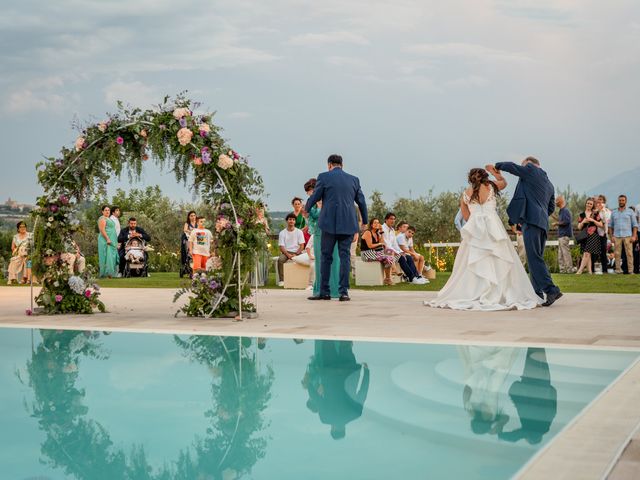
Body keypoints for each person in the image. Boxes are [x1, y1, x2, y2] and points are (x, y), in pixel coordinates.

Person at [426, 167, 542, 310]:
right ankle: (498, 292)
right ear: (485, 176)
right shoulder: (491, 186)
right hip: (494, 227)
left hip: (475, 229)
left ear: (470, 178)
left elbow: (466, 216)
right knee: (498, 257)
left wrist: (477, 219)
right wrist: (496, 173)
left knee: (472, 260)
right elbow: (504, 183)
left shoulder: (465, 194)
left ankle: (475, 291)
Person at [491, 157, 562, 306]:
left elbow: (512, 167)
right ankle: (536, 293)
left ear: (529, 164)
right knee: (535, 258)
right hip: (542, 224)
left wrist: (497, 166)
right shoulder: (549, 184)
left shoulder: (530, 170)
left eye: (524, 166)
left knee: (534, 258)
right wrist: (538, 216)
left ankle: (551, 289)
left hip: (531, 222)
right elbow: (550, 208)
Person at [305, 154, 368, 301]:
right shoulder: (354, 179)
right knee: (344, 257)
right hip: (348, 224)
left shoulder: (324, 177)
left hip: (328, 224)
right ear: (342, 165)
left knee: (326, 257)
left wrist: (307, 208)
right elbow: (362, 202)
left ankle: (324, 292)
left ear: (329, 165)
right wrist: (364, 221)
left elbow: (315, 196)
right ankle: (343, 292)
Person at [302, 340, 370, 440]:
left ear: (344, 429)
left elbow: (363, 392)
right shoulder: (325, 417)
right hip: (329, 371)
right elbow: (316, 398)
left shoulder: (355, 414)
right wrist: (309, 385)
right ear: (332, 429)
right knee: (327, 340)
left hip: (348, 370)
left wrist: (366, 373)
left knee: (345, 343)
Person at [499, 348, 557, 444]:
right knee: (533, 353)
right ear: (529, 438)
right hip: (530, 383)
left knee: (538, 353)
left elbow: (553, 394)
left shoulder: (548, 421)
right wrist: (500, 435)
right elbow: (514, 437)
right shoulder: (530, 429)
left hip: (544, 383)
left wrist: (548, 389)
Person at [305, 178, 340, 298]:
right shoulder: (312, 203)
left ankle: (335, 289)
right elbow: (308, 217)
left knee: (334, 261)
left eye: (310, 190)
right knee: (320, 262)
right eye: (308, 191)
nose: (309, 193)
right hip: (318, 234)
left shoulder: (328, 200)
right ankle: (320, 289)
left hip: (331, 233)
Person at [382, 212, 427, 284]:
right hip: (385, 251)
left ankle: (416, 276)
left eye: (394, 219)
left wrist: (401, 252)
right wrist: (398, 252)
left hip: (392, 251)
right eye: (391, 219)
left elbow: (394, 244)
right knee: (402, 258)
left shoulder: (392, 230)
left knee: (408, 257)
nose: (393, 221)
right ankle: (412, 278)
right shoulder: (382, 228)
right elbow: (386, 245)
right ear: (386, 219)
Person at [360, 218, 395, 285]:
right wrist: (380, 244)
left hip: (374, 252)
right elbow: (370, 246)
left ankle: (387, 278)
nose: (377, 224)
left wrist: (381, 231)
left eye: (378, 223)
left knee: (390, 252)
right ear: (371, 224)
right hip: (366, 254)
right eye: (375, 223)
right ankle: (388, 278)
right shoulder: (368, 232)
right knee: (388, 258)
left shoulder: (376, 233)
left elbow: (382, 243)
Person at [609, 194, 638, 274]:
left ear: (626, 201)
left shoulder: (630, 212)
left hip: (628, 236)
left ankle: (631, 271)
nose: (621, 202)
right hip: (617, 236)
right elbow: (610, 226)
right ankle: (618, 270)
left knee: (629, 254)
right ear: (618, 201)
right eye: (620, 200)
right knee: (617, 254)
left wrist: (634, 236)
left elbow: (635, 225)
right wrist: (611, 236)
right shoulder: (614, 212)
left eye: (623, 200)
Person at [576, 198, 604, 275]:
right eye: (588, 203)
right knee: (588, 254)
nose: (589, 205)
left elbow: (601, 225)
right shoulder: (581, 215)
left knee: (586, 253)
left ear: (592, 205)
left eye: (591, 204)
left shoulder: (595, 214)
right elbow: (579, 227)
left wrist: (593, 221)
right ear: (586, 204)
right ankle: (590, 272)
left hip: (593, 235)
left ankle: (579, 271)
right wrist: (583, 222)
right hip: (584, 236)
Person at [277, 213, 305, 287]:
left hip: (297, 251)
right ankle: (282, 280)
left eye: (293, 219)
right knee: (280, 260)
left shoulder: (299, 232)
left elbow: (302, 246)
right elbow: (281, 246)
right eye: (290, 219)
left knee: (306, 260)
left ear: (295, 221)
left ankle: (304, 280)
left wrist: (296, 254)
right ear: (287, 221)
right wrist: (288, 255)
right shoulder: (282, 233)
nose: (291, 221)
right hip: (286, 252)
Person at [554, 195, 574, 273]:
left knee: (565, 253)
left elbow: (566, 221)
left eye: (557, 201)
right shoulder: (561, 211)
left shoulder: (565, 210)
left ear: (561, 201)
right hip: (561, 235)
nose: (556, 202)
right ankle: (562, 270)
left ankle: (569, 269)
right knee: (560, 254)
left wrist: (557, 223)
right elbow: (561, 220)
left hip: (564, 235)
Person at [97, 206, 119, 278]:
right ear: (102, 211)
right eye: (105, 210)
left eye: (108, 210)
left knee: (111, 256)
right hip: (105, 240)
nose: (107, 211)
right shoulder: (102, 218)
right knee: (106, 256)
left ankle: (111, 273)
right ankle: (105, 274)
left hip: (112, 239)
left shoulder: (109, 219)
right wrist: (107, 239)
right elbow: (102, 230)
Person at [596, 195, 612, 273]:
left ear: (604, 201)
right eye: (598, 199)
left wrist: (601, 211)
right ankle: (591, 270)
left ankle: (605, 270)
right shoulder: (595, 211)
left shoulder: (607, 211)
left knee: (603, 252)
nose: (599, 201)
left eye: (601, 199)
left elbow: (606, 221)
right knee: (594, 252)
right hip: (595, 234)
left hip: (603, 234)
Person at [180, 211, 197, 277]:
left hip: (196, 240)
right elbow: (185, 230)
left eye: (194, 215)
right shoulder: (187, 223)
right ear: (189, 217)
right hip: (188, 239)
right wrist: (192, 231)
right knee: (188, 253)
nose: (193, 217)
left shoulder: (197, 223)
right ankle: (189, 268)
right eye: (191, 216)